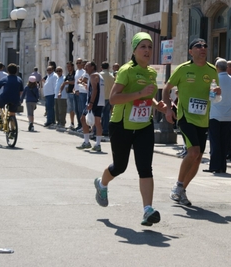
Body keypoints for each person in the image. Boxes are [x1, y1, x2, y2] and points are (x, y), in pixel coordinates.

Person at [93, 32, 166, 226]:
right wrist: (139, 93)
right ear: (134, 50)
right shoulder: (126, 70)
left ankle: (147, 210)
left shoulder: (152, 73)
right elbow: (114, 98)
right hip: (122, 125)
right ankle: (102, 184)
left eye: (150, 47)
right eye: (142, 46)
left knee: (145, 167)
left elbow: (148, 97)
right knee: (120, 166)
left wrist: (159, 106)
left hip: (144, 125)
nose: (147, 50)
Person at [163, 38, 220, 206]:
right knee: (193, 152)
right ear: (191, 51)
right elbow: (167, 89)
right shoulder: (183, 69)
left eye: (205, 46)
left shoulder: (211, 70)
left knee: (198, 157)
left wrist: (217, 92)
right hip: (185, 116)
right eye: (198, 46)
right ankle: (178, 185)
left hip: (203, 118)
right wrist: (167, 109)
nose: (203, 48)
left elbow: (215, 94)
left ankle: (181, 191)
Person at [203, 58, 231, 173]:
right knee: (224, 142)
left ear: (216, 67)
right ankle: (222, 166)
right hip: (228, 115)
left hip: (215, 114)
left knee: (215, 142)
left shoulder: (215, 81)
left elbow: (211, 97)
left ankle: (214, 166)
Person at [76, 61, 105, 152]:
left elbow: (95, 90)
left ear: (92, 67)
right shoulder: (98, 76)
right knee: (97, 122)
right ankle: (97, 144)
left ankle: (87, 142)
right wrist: (85, 86)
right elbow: (94, 88)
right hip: (99, 102)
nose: (85, 68)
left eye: (87, 66)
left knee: (82, 119)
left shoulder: (93, 76)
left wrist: (91, 103)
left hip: (93, 102)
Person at [100, 61, 115, 136]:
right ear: (108, 67)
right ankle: (105, 130)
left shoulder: (99, 75)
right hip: (109, 97)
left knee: (99, 115)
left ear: (101, 67)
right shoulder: (111, 76)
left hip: (101, 97)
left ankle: (99, 130)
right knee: (106, 114)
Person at [60, 61, 76, 130]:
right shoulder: (68, 75)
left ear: (72, 66)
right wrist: (60, 92)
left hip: (75, 93)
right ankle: (72, 123)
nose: (68, 68)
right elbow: (63, 83)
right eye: (67, 67)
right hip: (69, 93)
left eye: (69, 66)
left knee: (76, 109)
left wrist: (68, 82)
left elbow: (75, 82)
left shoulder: (75, 74)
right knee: (70, 109)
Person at [74, 58, 87, 130]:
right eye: (77, 63)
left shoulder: (84, 71)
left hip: (81, 92)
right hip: (76, 91)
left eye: (80, 63)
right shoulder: (77, 71)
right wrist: (74, 89)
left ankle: (83, 125)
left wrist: (78, 90)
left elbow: (82, 81)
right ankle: (79, 124)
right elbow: (76, 81)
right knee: (77, 109)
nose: (78, 64)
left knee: (81, 109)